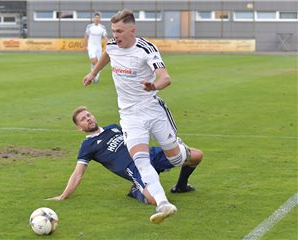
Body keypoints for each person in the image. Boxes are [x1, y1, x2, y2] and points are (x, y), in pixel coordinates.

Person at [83, 9, 196, 224]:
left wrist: (154, 85)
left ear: (132, 30)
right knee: (141, 161)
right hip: (129, 116)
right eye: (113, 30)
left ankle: (180, 147)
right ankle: (163, 204)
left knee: (176, 159)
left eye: (119, 31)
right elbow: (107, 54)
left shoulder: (146, 48)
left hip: (152, 110)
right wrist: (93, 72)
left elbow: (166, 77)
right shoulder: (113, 45)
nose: (115, 35)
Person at [46, 106, 203, 206]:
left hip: (150, 154)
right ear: (79, 128)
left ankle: (181, 186)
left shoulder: (114, 128)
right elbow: (77, 174)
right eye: (83, 119)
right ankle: (136, 191)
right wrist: (63, 196)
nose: (88, 119)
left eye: (88, 115)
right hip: (135, 169)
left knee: (197, 155)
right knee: (156, 201)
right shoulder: (87, 146)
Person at [84, 12, 108, 84]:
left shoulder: (102, 28)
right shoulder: (89, 27)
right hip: (91, 47)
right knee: (93, 61)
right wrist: (85, 46)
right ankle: (93, 76)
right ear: (94, 18)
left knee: (99, 63)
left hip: (98, 47)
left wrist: (107, 46)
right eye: (96, 17)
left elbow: (105, 38)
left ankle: (96, 78)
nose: (97, 19)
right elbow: (86, 37)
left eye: (98, 18)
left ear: (100, 19)